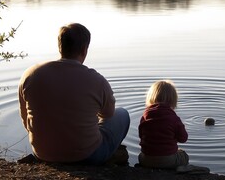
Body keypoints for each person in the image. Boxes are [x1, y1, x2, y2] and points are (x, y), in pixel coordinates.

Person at [18, 23, 130, 165]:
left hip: (42, 154)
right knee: (122, 114)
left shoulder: (30, 75)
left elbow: (25, 119)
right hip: (88, 156)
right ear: (84, 49)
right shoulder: (96, 80)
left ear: (60, 47)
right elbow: (108, 114)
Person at [138, 80, 189, 169]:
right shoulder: (174, 118)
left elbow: (141, 135)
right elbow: (183, 138)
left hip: (145, 160)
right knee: (184, 155)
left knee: (140, 155)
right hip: (167, 161)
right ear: (173, 100)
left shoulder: (145, 115)